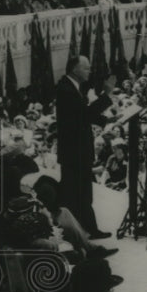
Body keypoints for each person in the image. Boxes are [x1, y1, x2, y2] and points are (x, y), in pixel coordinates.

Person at [55, 55, 114, 238]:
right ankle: (84, 231)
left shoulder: (71, 86)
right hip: (75, 152)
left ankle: (85, 230)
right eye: (86, 68)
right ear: (74, 69)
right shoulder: (66, 89)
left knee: (79, 194)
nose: (89, 71)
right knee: (79, 194)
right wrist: (106, 95)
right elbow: (84, 115)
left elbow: (81, 115)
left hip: (75, 151)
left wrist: (107, 120)